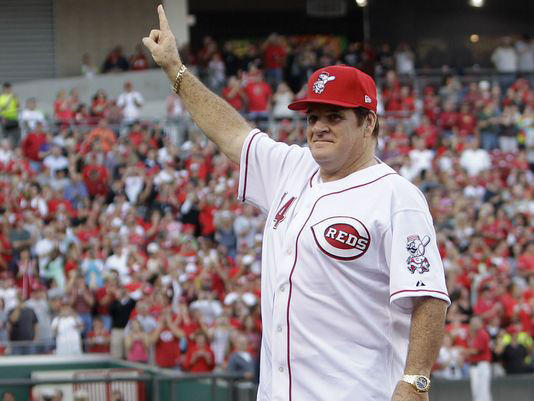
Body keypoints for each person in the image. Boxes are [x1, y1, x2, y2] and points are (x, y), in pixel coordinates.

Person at [143, 6, 449, 401]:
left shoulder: (396, 196)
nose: (318, 126)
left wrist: (415, 382)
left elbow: (428, 297)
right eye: (312, 117)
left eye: (334, 117)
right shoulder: (291, 167)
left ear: (368, 122)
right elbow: (231, 133)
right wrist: (175, 70)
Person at [465, 316, 493, 401]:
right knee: (477, 393)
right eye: (472, 322)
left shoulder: (482, 333)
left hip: (481, 365)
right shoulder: (474, 335)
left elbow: (476, 351)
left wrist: (462, 351)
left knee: (482, 392)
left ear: (481, 323)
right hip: (475, 366)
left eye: (475, 322)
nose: (473, 324)